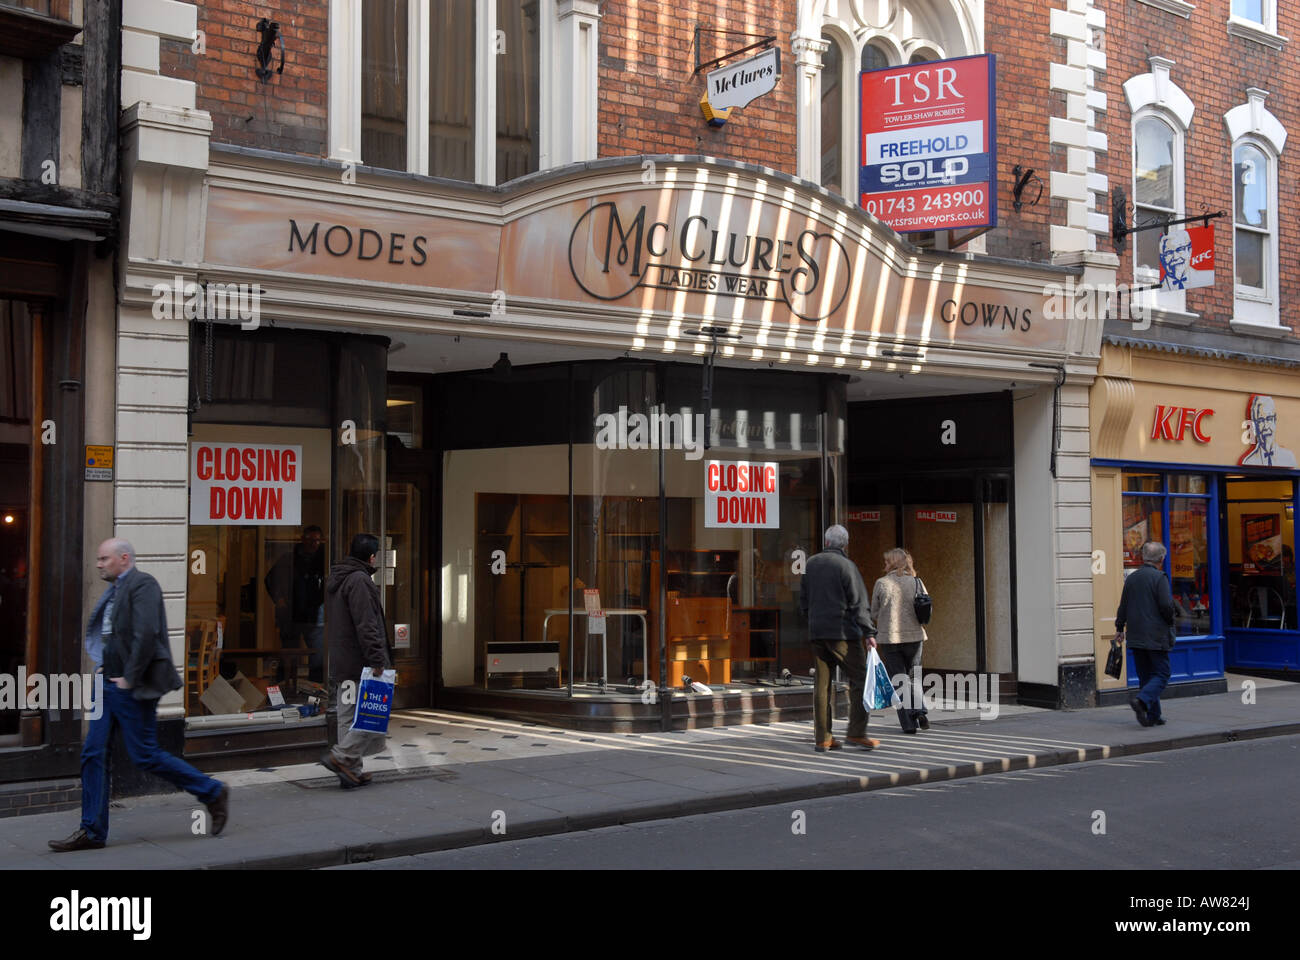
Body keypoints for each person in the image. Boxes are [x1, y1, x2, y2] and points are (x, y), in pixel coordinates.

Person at [49, 539, 229, 851]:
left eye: (104, 558)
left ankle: (211, 791)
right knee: (93, 753)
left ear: (124, 558)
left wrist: (129, 678)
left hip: (131, 685)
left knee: (144, 754)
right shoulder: (117, 589)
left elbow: (146, 633)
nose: (98, 564)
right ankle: (91, 830)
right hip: (106, 683)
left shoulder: (143, 584)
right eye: (98, 559)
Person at [320, 533, 392, 788]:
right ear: (371, 557)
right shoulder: (360, 581)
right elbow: (367, 625)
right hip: (360, 662)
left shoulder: (339, 577)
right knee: (374, 715)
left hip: (342, 660)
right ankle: (341, 758)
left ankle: (351, 770)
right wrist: (377, 659)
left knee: (347, 716)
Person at [799, 524, 879, 752]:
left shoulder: (811, 564)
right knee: (861, 680)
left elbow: (803, 601)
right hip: (843, 634)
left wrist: (814, 621)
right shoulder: (847, 566)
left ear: (826, 542)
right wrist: (869, 633)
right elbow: (858, 603)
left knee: (822, 686)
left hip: (817, 633)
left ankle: (823, 738)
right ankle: (856, 732)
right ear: (844, 544)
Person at [1114, 540, 1176, 727]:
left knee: (1146, 676)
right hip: (1155, 636)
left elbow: (1123, 605)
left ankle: (1152, 715)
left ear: (1143, 557)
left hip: (1135, 635)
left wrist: (1119, 628)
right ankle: (1142, 701)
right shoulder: (1160, 577)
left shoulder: (1132, 578)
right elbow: (1166, 606)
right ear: (1161, 559)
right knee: (1162, 673)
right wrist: (1170, 620)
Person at [870, 548, 929, 733]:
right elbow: (927, 604)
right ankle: (920, 710)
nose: (884, 564)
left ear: (893, 563)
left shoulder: (881, 583)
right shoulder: (917, 582)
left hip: (890, 638)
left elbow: (873, 612)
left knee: (899, 680)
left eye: (887, 561)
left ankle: (909, 724)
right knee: (914, 677)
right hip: (915, 637)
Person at [264, 525, 326, 683]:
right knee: (288, 655)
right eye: (311, 540)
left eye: (318, 541)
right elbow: (271, 579)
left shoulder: (324, 559)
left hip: (314, 614)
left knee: (317, 655)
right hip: (291, 614)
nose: (314, 544)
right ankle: (284, 686)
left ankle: (315, 688)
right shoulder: (289, 558)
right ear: (303, 540)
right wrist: (279, 599)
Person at [1239, 394, 1296, 468]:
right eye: (1261, 420)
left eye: (1269, 419)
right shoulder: (1249, 460)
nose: (1266, 426)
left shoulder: (1288, 458)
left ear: (1274, 420)